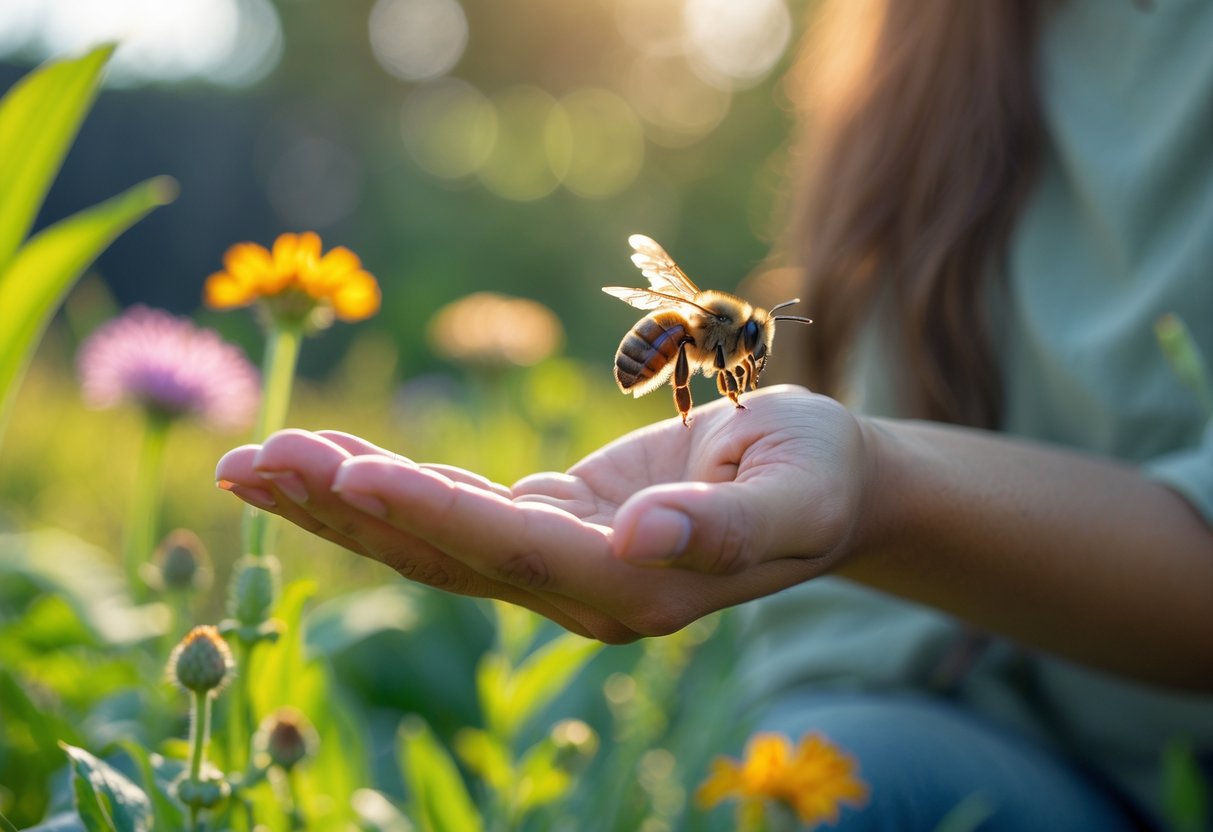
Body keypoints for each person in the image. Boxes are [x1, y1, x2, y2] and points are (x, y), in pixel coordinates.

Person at [216, 0, 1213, 828]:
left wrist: (879, 489)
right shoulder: (917, 43)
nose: (751, 361)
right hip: (902, 716)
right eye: (743, 355)